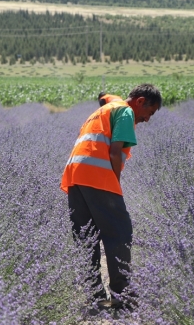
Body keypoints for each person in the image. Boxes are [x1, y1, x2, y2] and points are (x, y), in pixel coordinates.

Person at [62, 84, 162, 310]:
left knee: (86, 236)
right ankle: (122, 294)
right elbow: (115, 152)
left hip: (75, 176)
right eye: (150, 112)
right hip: (97, 176)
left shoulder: (102, 111)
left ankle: (95, 295)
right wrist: (114, 181)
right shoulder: (125, 111)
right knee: (119, 231)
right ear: (139, 102)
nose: (147, 119)